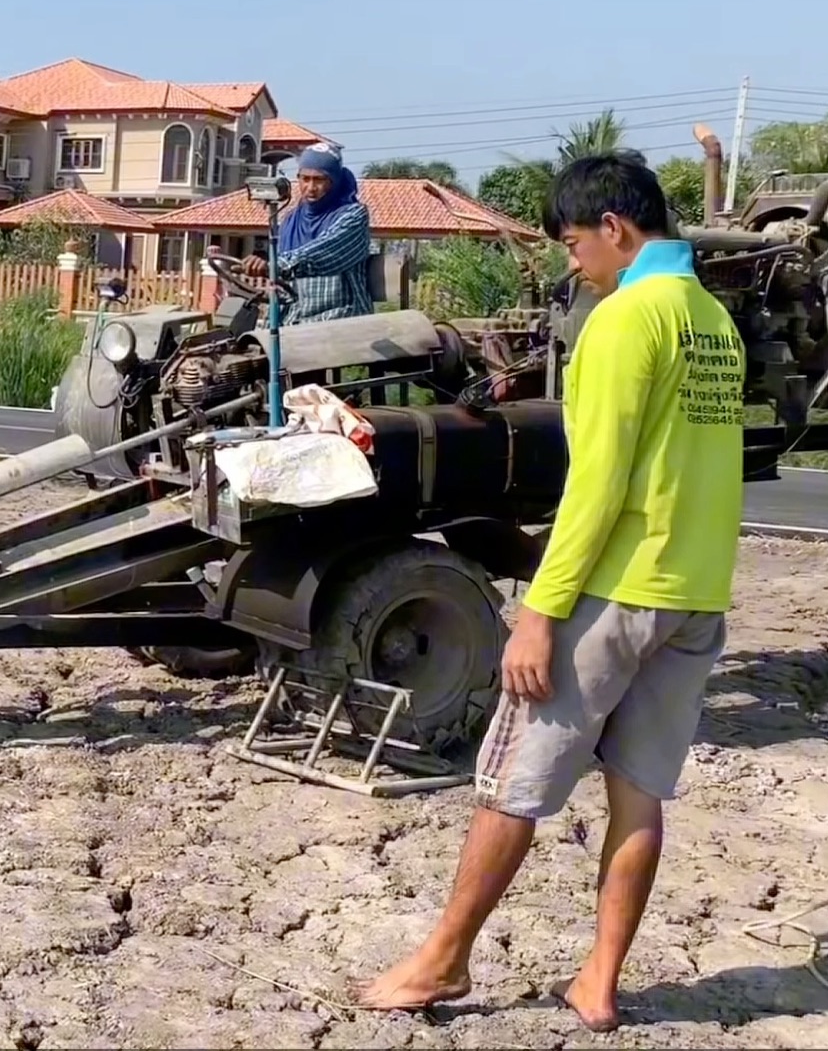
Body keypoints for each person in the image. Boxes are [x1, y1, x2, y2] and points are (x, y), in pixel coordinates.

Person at [354, 153, 745, 1033]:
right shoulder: (712, 318)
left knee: (511, 784)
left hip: (613, 594)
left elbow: (597, 485)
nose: (573, 263)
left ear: (616, 228)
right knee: (639, 794)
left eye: (574, 244)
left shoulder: (623, 319)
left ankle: (442, 962)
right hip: (695, 596)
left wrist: (540, 611)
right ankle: (599, 984)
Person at [238, 142, 373, 324]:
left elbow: (323, 251)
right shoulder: (290, 219)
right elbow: (282, 288)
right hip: (294, 320)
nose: (310, 187)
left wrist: (276, 266)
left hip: (338, 319)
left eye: (319, 180)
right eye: (305, 179)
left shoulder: (354, 216)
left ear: (334, 181)